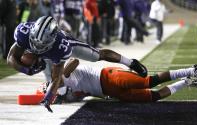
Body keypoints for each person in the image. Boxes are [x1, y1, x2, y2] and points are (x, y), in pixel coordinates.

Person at [7, 16, 147, 112]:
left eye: (41, 44)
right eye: (35, 41)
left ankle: (130, 62)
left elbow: (57, 77)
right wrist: (27, 70)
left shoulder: (61, 47)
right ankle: (61, 93)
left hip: (67, 44)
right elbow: (10, 58)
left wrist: (48, 98)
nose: (37, 47)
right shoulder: (23, 32)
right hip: (49, 52)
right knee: (44, 73)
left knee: (96, 55)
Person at [52, 58, 197, 104]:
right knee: (153, 97)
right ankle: (187, 81)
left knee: (149, 81)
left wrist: (62, 75)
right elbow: (83, 93)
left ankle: (192, 69)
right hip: (111, 92)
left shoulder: (63, 72)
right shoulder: (69, 92)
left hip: (108, 76)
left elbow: (75, 61)